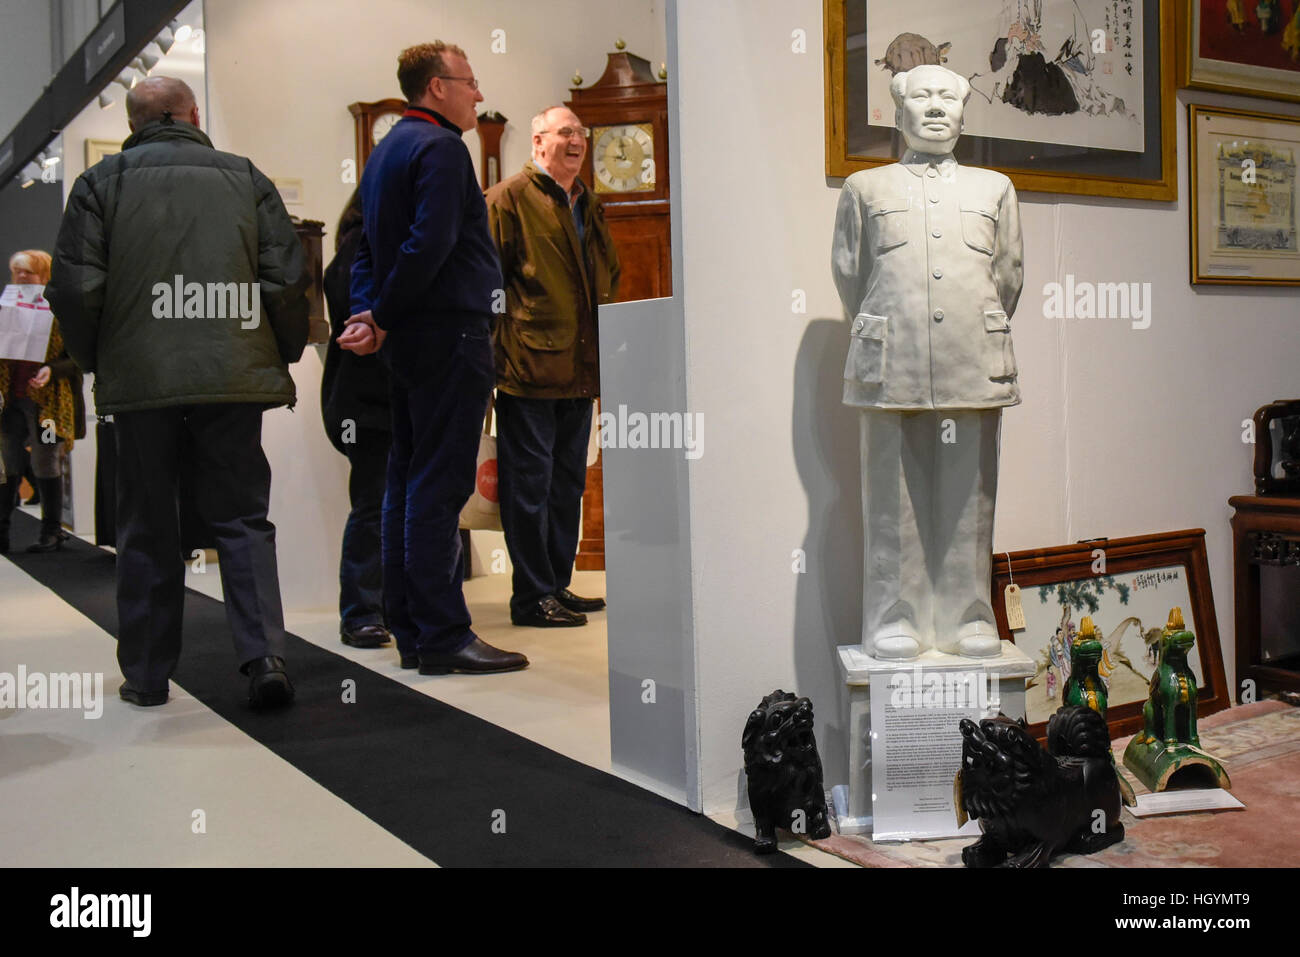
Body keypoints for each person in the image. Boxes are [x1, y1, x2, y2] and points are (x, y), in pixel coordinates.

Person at [45, 76, 310, 708]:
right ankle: (265, 655)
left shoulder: (98, 185)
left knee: (146, 521)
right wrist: (281, 353)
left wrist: (99, 361)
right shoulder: (245, 177)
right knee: (243, 517)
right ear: (193, 114)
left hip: (142, 382)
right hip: (233, 377)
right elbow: (285, 279)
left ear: (134, 125)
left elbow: (77, 290)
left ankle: (146, 673)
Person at [342, 41, 527, 675]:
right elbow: (431, 245)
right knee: (438, 488)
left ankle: (414, 629)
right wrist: (384, 316)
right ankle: (444, 634)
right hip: (451, 335)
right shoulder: (444, 148)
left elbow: (364, 250)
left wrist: (372, 314)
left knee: (405, 481)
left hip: (411, 343)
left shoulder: (385, 149)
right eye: (469, 81)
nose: (478, 93)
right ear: (436, 87)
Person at [831, 64, 1024, 660]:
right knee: (891, 495)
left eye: (948, 97)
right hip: (895, 360)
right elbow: (851, 275)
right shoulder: (866, 189)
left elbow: (1008, 277)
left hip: (974, 357)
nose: (936, 107)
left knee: (973, 495)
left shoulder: (994, 188)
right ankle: (895, 618)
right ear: (898, 110)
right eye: (922, 97)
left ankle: (969, 617)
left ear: (965, 113)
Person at [485, 105, 620, 627]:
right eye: (565, 133)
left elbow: (608, 273)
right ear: (538, 142)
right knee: (530, 487)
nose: (577, 141)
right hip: (527, 372)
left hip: (579, 370)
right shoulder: (507, 200)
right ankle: (531, 596)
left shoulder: (588, 203)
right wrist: (500, 355)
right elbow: (488, 285)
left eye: (581, 134)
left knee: (568, 483)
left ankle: (557, 586)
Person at [0, 250, 84, 554]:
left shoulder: (61, 310)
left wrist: (52, 370)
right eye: (17, 272)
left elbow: (77, 357)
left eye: (28, 272)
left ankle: (51, 531)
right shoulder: (5, 307)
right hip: (12, 402)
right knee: (8, 464)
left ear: (44, 275)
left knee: (45, 461)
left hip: (49, 405)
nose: (22, 277)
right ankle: (2, 532)